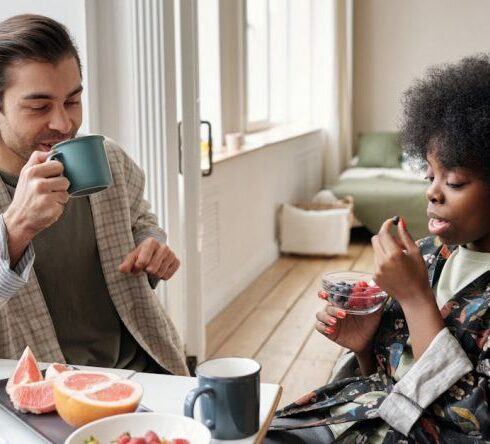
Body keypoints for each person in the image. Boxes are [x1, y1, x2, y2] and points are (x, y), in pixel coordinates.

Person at [266, 55, 490, 442]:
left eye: (453, 182)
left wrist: (416, 298)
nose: (432, 192)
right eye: (429, 175)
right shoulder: (428, 255)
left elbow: (473, 421)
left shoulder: (415, 276)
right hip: (356, 417)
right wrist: (366, 347)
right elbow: (391, 379)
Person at [0, 14, 188, 376]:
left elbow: (140, 220)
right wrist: (16, 228)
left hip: (146, 370)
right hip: (40, 392)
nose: (63, 123)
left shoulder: (109, 159)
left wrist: (151, 245)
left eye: (72, 101)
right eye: (39, 107)